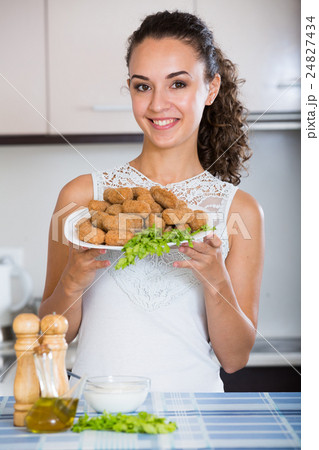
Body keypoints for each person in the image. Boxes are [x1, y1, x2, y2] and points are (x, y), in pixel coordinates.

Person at [39, 10, 264, 392]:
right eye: (143, 86)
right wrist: (72, 282)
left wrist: (215, 279)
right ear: (130, 90)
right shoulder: (81, 197)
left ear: (210, 89)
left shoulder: (240, 210)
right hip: (97, 410)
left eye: (177, 84)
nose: (158, 104)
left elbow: (235, 358)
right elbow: (50, 337)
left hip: (196, 413)